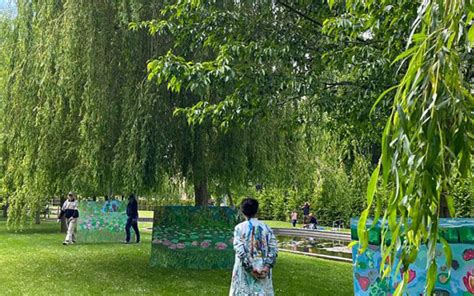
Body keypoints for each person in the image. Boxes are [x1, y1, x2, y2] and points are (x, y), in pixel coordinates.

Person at [230, 198, 278, 296]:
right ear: (256, 211)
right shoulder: (267, 228)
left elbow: (240, 251)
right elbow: (273, 249)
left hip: (244, 271)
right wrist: (266, 267)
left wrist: (251, 268)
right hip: (263, 269)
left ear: (242, 211)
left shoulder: (239, 228)